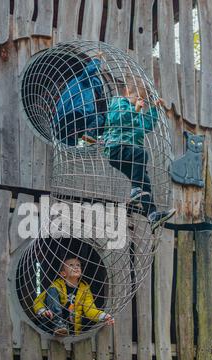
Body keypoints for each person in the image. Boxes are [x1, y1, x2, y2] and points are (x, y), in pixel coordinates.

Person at [102, 78, 176, 231]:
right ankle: (135, 190)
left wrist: (154, 108)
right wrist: (134, 109)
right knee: (141, 154)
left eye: (143, 100)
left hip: (129, 154)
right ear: (128, 92)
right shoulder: (118, 102)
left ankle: (152, 215)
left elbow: (146, 126)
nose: (140, 102)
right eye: (138, 97)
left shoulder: (137, 114)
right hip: (117, 149)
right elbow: (117, 119)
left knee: (144, 181)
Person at [33, 256, 114, 336]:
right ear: (63, 273)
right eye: (71, 265)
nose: (76, 267)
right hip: (53, 324)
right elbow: (38, 301)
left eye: (78, 265)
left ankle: (63, 329)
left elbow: (90, 309)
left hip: (72, 328)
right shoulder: (56, 285)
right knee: (52, 290)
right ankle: (58, 323)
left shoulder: (84, 288)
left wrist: (104, 316)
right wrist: (43, 311)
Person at [53, 52, 106, 146]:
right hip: (76, 113)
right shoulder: (87, 81)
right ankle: (88, 136)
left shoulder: (74, 84)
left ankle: (84, 140)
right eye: (96, 96)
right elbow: (89, 71)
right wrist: (97, 59)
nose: (95, 99)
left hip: (61, 124)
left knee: (70, 146)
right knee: (99, 117)